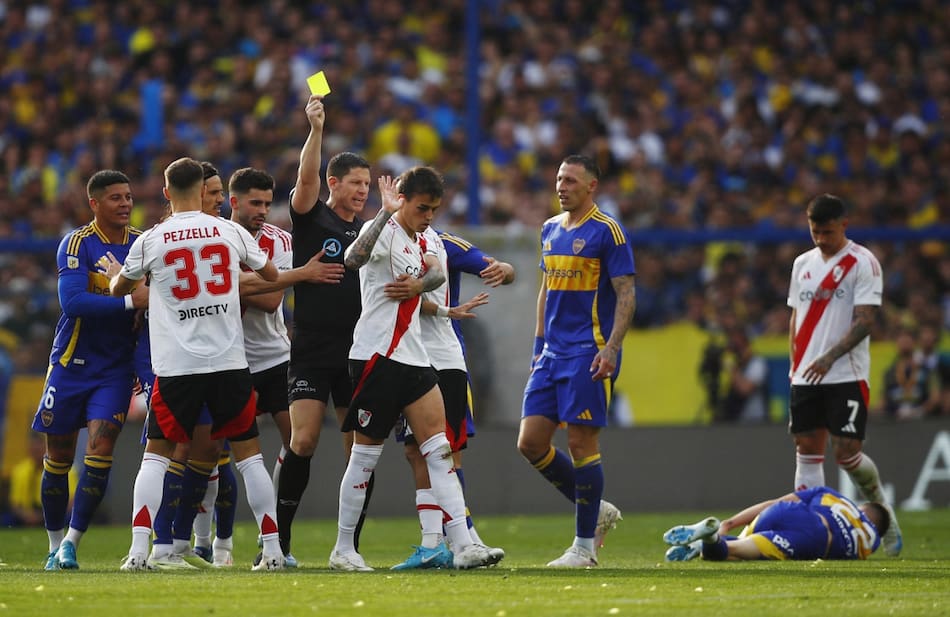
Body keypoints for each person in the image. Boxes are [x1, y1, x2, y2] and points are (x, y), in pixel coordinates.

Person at [110, 157, 283, 572]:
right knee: (250, 459)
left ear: (167, 193)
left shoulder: (152, 239)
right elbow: (274, 276)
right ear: (202, 192)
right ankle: (273, 551)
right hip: (228, 361)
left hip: (177, 366)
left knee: (156, 457)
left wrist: (125, 277)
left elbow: (120, 287)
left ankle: (138, 551)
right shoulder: (231, 230)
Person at [330, 167, 495, 571]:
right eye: (423, 208)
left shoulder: (426, 236)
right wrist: (385, 214)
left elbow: (437, 271)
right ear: (402, 199)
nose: (429, 216)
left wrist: (419, 286)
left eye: (434, 209)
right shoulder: (381, 228)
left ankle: (462, 545)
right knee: (364, 456)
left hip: (415, 357)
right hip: (376, 357)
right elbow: (352, 259)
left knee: (439, 451)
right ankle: (343, 549)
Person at [516, 154, 636, 568]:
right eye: (558, 179)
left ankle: (583, 548)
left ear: (591, 187)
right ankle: (597, 508)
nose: (561, 186)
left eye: (570, 181)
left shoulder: (608, 232)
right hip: (551, 354)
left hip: (589, 351)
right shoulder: (549, 230)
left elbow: (626, 293)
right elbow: (545, 291)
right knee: (530, 442)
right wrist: (537, 346)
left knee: (581, 442)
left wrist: (613, 348)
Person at [34, 169, 148, 570]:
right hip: (70, 364)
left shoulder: (141, 244)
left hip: (114, 370)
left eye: (129, 197)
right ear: (94, 203)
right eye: (116, 198)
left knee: (100, 451)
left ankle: (70, 542)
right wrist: (133, 304)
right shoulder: (77, 243)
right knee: (59, 456)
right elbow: (74, 303)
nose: (126, 204)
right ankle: (51, 543)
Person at [389, 224, 513, 570]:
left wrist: (504, 269)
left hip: (443, 359)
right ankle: (436, 544)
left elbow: (496, 266)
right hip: (404, 355)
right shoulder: (386, 239)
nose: (422, 213)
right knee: (415, 452)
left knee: (448, 450)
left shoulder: (442, 241)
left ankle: (467, 538)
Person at [786, 193, 902, 556]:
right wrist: (797, 363)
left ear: (844, 226)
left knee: (848, 452)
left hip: (844, 373)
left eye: (828, 232)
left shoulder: (862, 262)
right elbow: (795, 316)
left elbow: (866, 321)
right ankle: (813, 532)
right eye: (814, 231)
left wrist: (828, 357)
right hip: (805, 375)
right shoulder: (801, 263)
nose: (820, 238)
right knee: (807, 450)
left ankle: (886, 514)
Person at [276, 94, 364, 563]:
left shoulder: (367, 231)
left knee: (359, 454)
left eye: (366, 184)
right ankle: (278, 545)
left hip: (357, 353)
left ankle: (346, 548)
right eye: (354, 183)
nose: (362, 191)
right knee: (303, 440)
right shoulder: (313, 216)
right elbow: (305, 178)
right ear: (334, 183)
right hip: (311, 348)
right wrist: (315, 130)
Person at [662, 486, 889, 561]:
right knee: (735, 550)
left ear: (861, 508)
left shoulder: (833, 496)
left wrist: (729, 522)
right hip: (815, 538)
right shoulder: (872, 538)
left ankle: (705, 541)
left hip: (787, 512)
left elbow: (775, 502)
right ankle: (710, 539)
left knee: (739, 546)